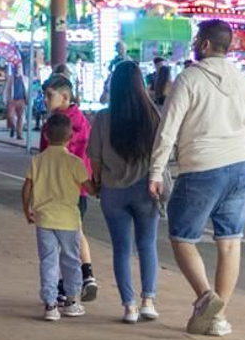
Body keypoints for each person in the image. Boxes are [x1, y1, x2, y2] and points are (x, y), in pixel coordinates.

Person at [148, 19, 245, 337]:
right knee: (230, 242)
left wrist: (156, 171)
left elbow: (166, 129)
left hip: (200, 166)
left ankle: (205, 297)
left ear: (206, 45)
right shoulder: (244, 80)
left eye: (198, 40)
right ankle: (218, 317)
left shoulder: (188, 79)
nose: (196, 45)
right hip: (238, 165)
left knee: (182, 236)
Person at [89, 60, 162, 324]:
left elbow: (94, 159)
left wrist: (98, 180)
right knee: (147, 245)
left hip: (113, 191)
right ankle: (148, 301)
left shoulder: (103, 118)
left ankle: (129, 307)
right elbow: (162, 154)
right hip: (146, 190)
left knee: (121, 249)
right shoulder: (153, 116)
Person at [22, 113, 91, 321]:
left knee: (48, 261)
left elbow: (26, 188)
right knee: (70, 260)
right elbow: (90, 188)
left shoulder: (37, 160)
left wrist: (27, 209)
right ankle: (71, 300)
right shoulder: (74, 162)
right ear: (70, 136)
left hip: (44, 219)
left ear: (45, 134)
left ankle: (50, 304)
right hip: (69, 221)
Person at [39, 75, 98, 302]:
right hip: (79, 189)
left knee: (60, 242)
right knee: (75, 233)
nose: (45, 99)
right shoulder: (82, 120)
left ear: (64, 96)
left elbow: (45, 158)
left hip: (58, 192)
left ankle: (68, 286)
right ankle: (86, 274)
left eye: (49, 95)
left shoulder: (56, 125)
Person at [5, 63, 28, 140]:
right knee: (10, 116)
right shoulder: (11, 78)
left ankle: (19, 134)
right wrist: (6, 99)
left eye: (20, 67)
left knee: (20, 117)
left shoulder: (25, 78)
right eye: (17, 67)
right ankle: (13, 127)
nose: (18, 69)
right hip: (12, 100)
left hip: (22, 100)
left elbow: (28, 89)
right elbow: (7, 89)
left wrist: (28, 100)